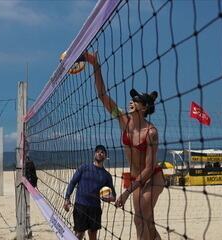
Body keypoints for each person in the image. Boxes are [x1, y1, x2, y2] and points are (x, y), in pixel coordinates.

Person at [83, 51, 164, 240]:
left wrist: (127, 192)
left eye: (136, 100)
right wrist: (95, 65)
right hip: (135, 177)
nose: (132, 101)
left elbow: (150, 167)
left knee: (139, 220)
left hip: (152, 177)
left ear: (144, 108)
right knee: (147, 222)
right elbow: (102, 96)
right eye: (132, 98)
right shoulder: (123, 120)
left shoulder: (151, 132)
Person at [63, 145, 116, 240]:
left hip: (95, 209)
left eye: (102, 152)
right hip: (80, 206)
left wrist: (109, 198)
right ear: (94, 154)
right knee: (79, 234)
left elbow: (114, 196)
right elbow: (72, 182)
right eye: (98, 151)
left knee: (93, 235)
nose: (100, 153)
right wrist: (67, 198)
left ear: (105, 156)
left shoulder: (107, 175)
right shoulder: (84, 167)